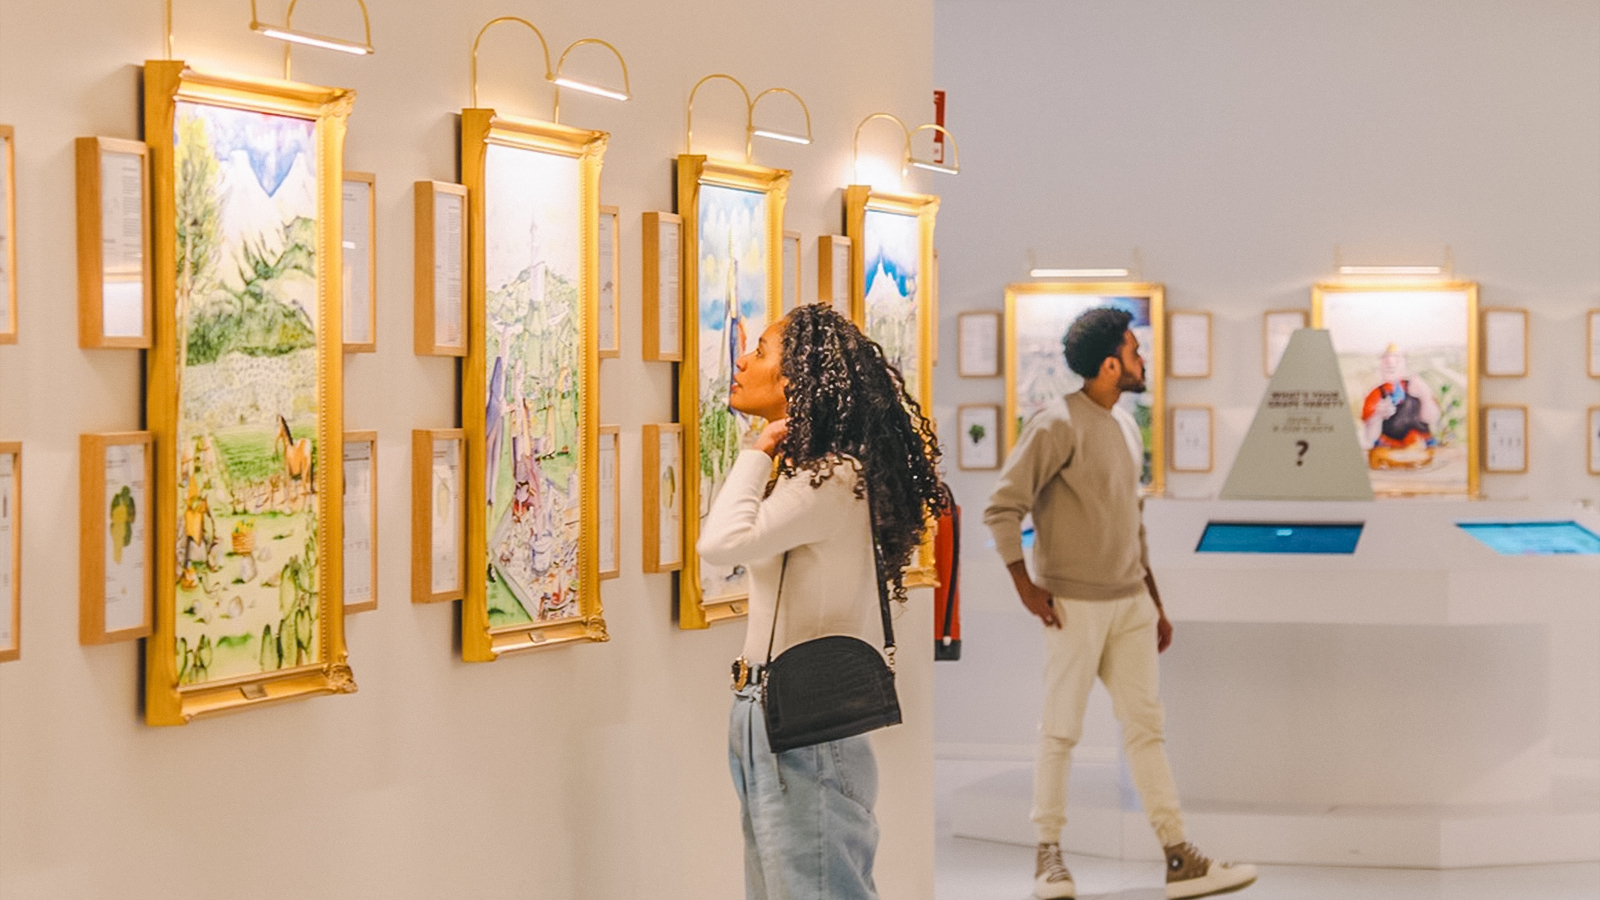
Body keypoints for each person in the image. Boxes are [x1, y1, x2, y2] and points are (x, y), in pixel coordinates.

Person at [984, 307, 1257, 900]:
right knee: (1060, 731)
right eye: (1135, 352)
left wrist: (1154, 602)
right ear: (1110, 365)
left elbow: (1132, 525)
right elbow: (1003, 507)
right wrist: (1027, 588)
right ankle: (1048, 858)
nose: (1142, 362)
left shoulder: (1126, 426)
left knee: (1146, 730)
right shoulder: (1056, 424)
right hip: (1072, 606)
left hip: (1131, 604)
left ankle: (1179, 857)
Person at [698, 304, 948, 900]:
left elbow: (722, 542)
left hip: (803, 717)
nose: (741, 360)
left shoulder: (833, 476)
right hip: (764, 707)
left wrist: (758, 450)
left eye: (759, 351)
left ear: (796, 379)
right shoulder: (812, 473)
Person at [1360, 344, 1440, 469]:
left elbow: (1432, 418)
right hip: (1389, 449)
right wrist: (1377, 415)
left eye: (1397, 359)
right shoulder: (1375, 395)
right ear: (1380, 365)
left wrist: (1425, 396)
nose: (1391, 363)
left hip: (1420, 447)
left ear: (1404, 363)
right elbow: (1369, 438)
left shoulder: (1417, 386)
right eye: (1385, 359)